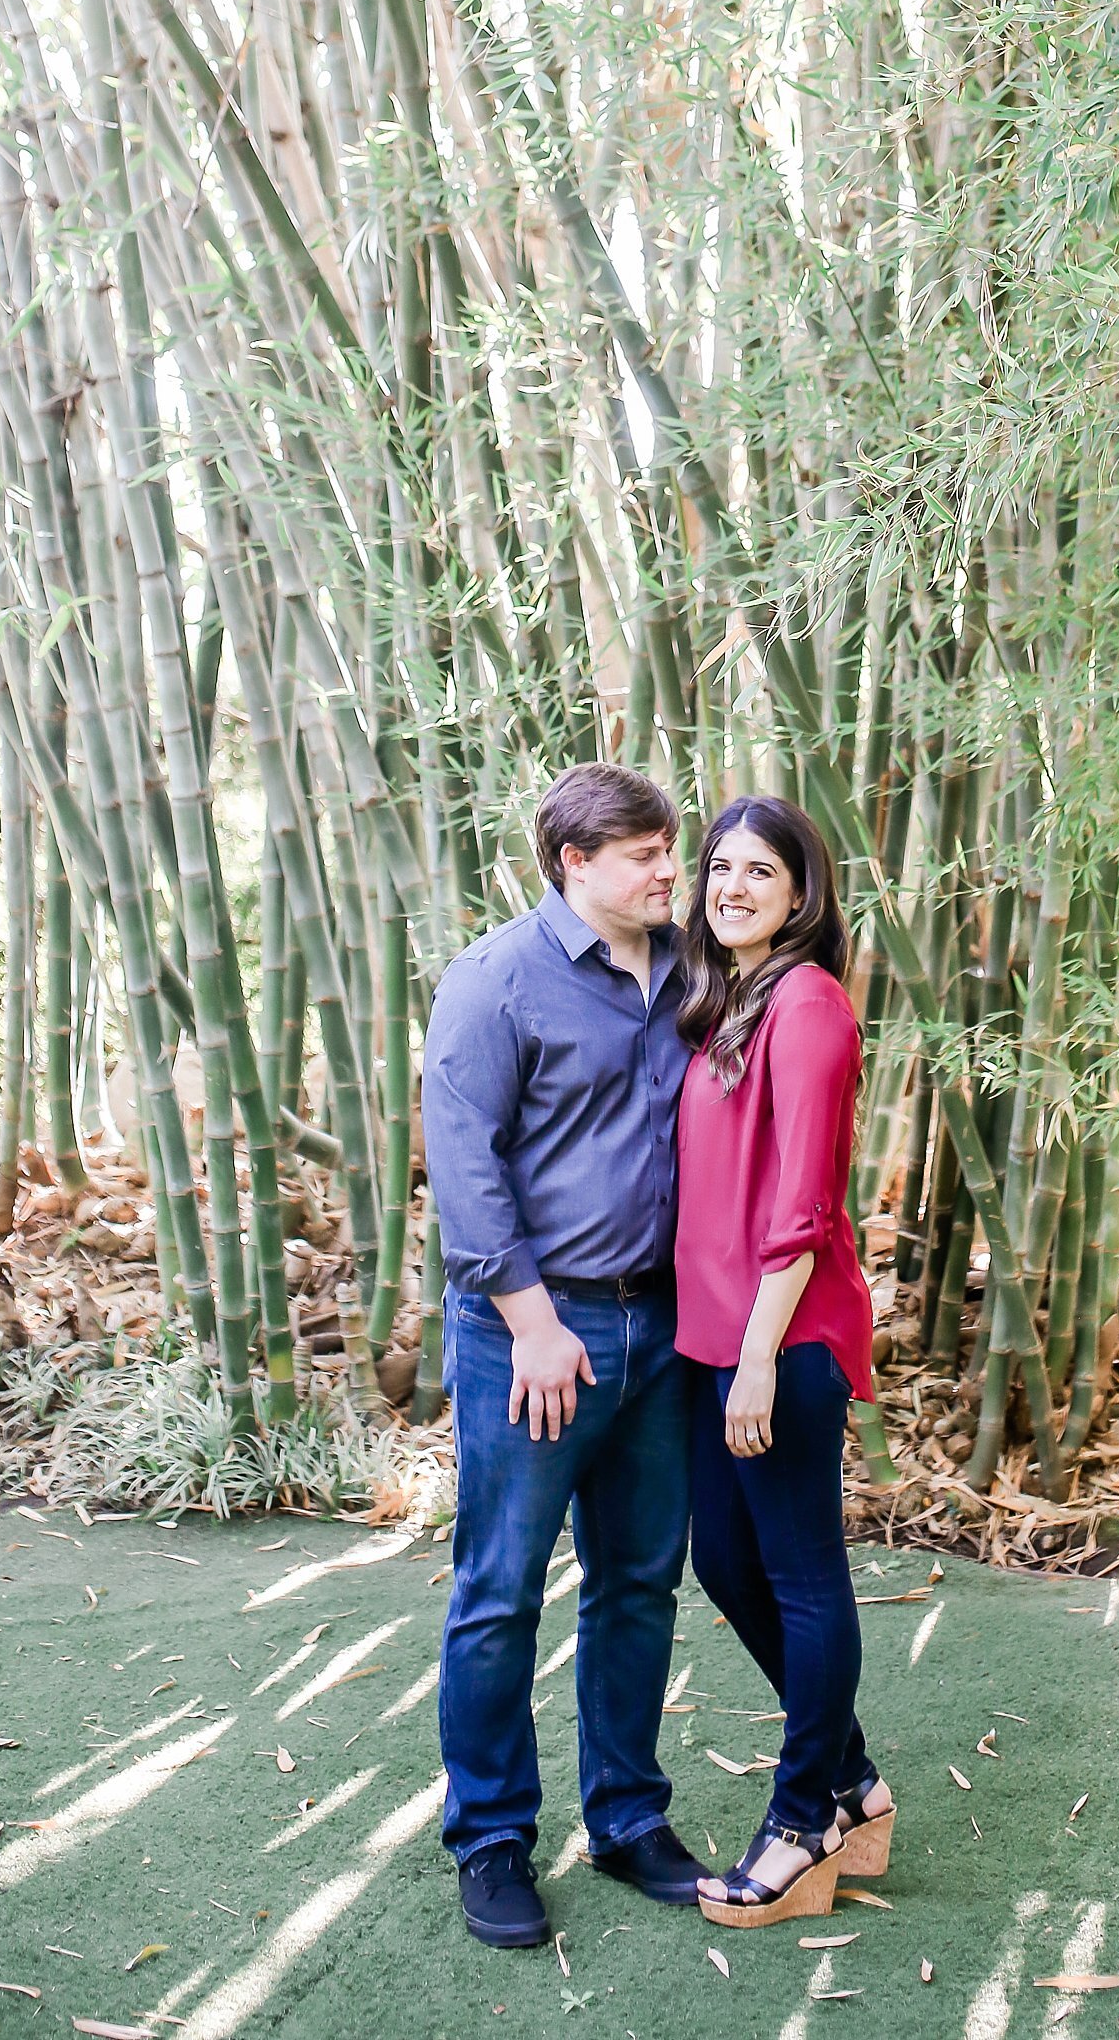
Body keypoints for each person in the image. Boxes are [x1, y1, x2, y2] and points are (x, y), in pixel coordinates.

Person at [421, 762, 704, 1949]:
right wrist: (534, 1327)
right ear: (571, 862)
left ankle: (629, 1819)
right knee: (499, 1594)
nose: (665, 870)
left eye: (666, 848)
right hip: (534, 1333)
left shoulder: (693, 968)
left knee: (638, 1584)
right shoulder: (496, 979)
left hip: (663, 1324)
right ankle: (490, 1839)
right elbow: (465, 1166)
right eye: (641, 854)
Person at [673, 793, 896, 1927]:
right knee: (724, 1561)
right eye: (718, 867)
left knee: (803, 1576)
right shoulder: (727, 1001)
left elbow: (802, 1206)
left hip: (782, 1336)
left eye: (760, 870)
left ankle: (801, 1823)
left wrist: (759, 1356)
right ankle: (851, 1781)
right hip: (718, 1339)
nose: (733, 887)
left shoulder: (806, 1006)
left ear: (802, 893)